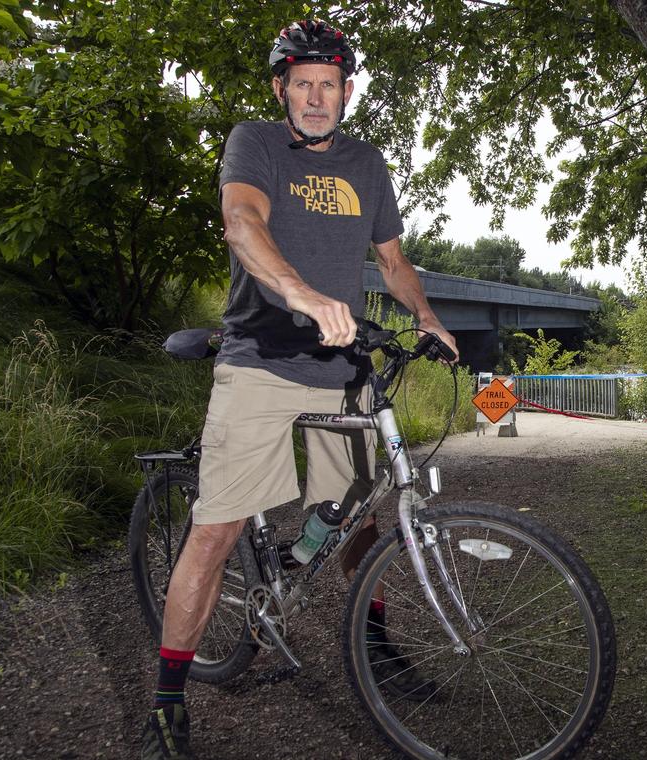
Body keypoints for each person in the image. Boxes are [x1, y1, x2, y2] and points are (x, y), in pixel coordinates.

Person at [141, 20, 458, 759]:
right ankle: (167, 699)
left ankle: (373, 643)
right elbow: (242, 222)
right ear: (282, 89)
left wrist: (427, 315)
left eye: (330, 85)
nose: (317, 98)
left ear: (346, 93)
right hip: (261, 359)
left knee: (358, 519)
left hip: (340, 368)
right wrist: (302, 294)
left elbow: (392, 260)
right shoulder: (254, 144)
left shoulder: (367, 164)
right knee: (215, 531)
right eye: (303, 84)